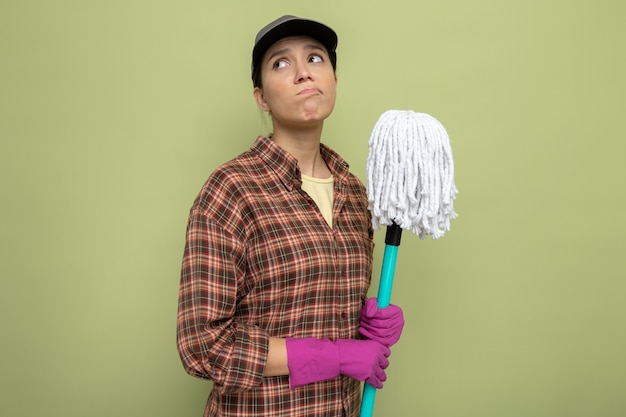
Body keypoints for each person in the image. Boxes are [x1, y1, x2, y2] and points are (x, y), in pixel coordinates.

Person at [176, 15, 404, 417]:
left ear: (334, 79)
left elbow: (315, 308)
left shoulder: (355, 193)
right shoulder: (231, 190)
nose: (303, 73)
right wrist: (334, 355)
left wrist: (366, 323)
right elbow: (203, 346)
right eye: (281, 63)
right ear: (261, 96)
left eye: (315, 58)